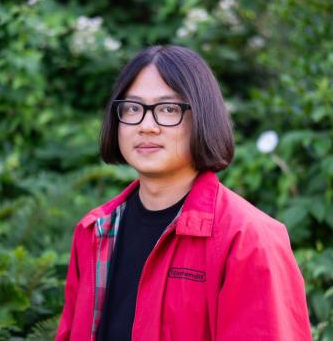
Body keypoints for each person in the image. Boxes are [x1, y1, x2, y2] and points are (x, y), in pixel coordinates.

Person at [56, 45, 312, 341]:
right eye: (133, 108)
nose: (146, 126)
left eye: (168, 109)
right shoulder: (95, 232)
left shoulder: (249, 240)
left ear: (202, 117)